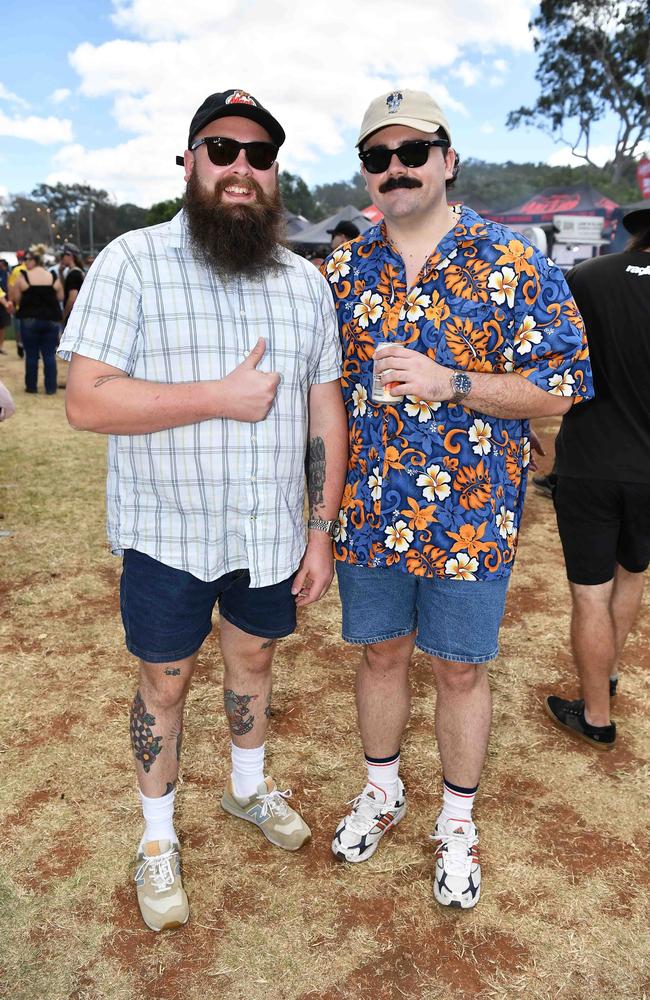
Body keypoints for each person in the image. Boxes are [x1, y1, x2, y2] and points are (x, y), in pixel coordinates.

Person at [58, 87, 347, 933]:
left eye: (259, 155)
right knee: (166, 680)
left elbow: (324, 411)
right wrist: (217, 397)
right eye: (222, 150)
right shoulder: (131, 261)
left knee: (253, 664)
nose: (241, 168)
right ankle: (156, 840)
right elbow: (86, 401)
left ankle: (248, 792)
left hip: (268, 533)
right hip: (166, 532)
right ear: (190, 162)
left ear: (274, 174)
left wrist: (321, 529)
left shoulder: (305, 283)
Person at [323, 89, 592, 909]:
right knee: (379, 655)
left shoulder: (511, 261)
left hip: (471, 518)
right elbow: (321, 397)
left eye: (414, 152)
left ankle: (458, 820)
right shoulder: (342, 269)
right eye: (378, 156)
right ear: (366, 173)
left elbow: (563, 386)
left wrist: (453, 383)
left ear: (448, 160)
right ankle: (382, 791)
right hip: (366, 516)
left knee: (462, 674)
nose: (396, 169)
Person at [545, 203, 650, 750]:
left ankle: (597, 715)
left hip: (589, 462)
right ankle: (604, 678)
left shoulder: (589, 278)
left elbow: (547, 358)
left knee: (590, 594)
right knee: (630, 576)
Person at [12, 250, 63, 394]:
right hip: (51, 320)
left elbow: (17, 298)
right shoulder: (53, 277)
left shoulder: (23, 277)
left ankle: (31, 387)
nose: (26, 262)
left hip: (30, 319)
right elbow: (60, 296)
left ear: (35, 260)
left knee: (32, 355)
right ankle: (51, 387)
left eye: (28, 259)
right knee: (49, 355)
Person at [59, 243, 85, 328]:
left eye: (62, 255)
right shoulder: (78, 272)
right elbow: (64, 289)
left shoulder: (74, 274)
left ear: (70, 256)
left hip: (73, 318)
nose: (61, 259)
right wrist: (60, 273)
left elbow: (72, 298)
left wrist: (64, 315)